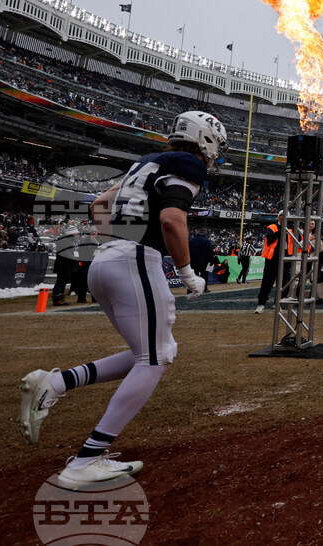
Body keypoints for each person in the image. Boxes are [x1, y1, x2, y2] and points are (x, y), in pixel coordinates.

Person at [18, 110, 226, 490]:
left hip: (108, 260)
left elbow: (99, 205)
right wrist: (185, 271)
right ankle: (85, 461)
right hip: (134, 260)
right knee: (156, 357)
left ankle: (58, 382)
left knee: (149, 351)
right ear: (206, 140)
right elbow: (171, 220)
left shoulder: (146, 163)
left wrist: (119, 244)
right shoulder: (187, 163)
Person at [52, 224, 80, 306]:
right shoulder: (64, 241)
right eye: (76, 233)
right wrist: (75, 259)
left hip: (66, 265)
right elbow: (66, 253)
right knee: (60, 281)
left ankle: (60, 298)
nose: (77, 234)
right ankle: (57, 298)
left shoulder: (68, 241)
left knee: (62, 282)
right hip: (63, 265)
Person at [72, 226, 100, 304]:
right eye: (92, 232)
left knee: (94, 283)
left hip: (94, 263)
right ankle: (81, 299)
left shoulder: (98, 240)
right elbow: (82, 251)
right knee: (83, 282)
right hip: (85, 264)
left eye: (95, 232)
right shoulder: (85, 240)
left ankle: (95, 299)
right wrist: (93, 253)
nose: (94, 233)